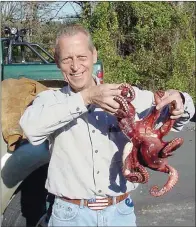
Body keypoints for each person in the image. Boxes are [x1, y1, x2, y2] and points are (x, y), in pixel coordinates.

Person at [20, 24, 195, 227]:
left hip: (119, 213)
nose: (75, 66)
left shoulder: (125, 95)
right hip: (70, 215)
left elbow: (177, 116)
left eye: (82, 57)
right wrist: (86, 98)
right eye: (67, 59)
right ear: (58, 62)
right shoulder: (49, 101)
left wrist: (181, 99)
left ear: (94, 55)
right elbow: (31, 129)